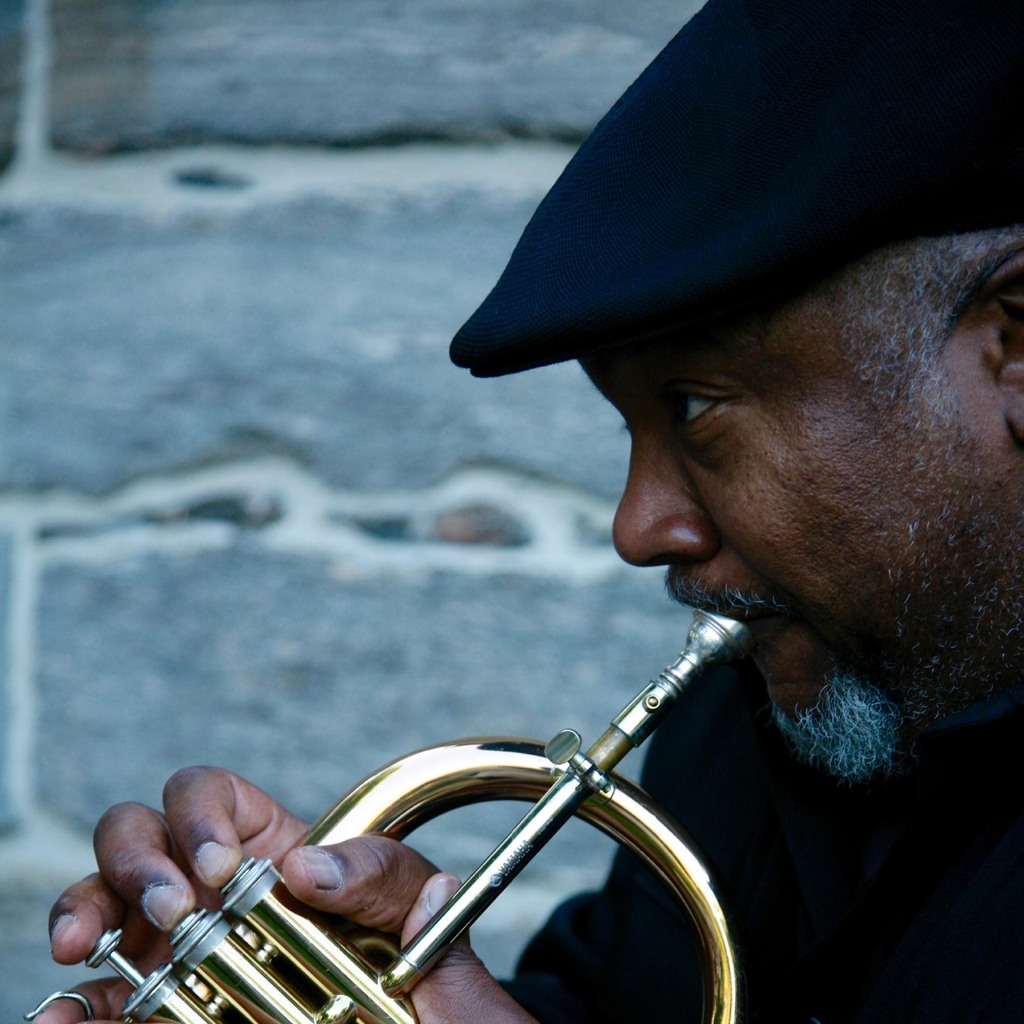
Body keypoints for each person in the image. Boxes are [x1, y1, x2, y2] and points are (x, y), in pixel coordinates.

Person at [36, 0, 1024, 1021]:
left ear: (1013, 343)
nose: (639, 528)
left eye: (695, 409)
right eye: (625, 427)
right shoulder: (742, 733)